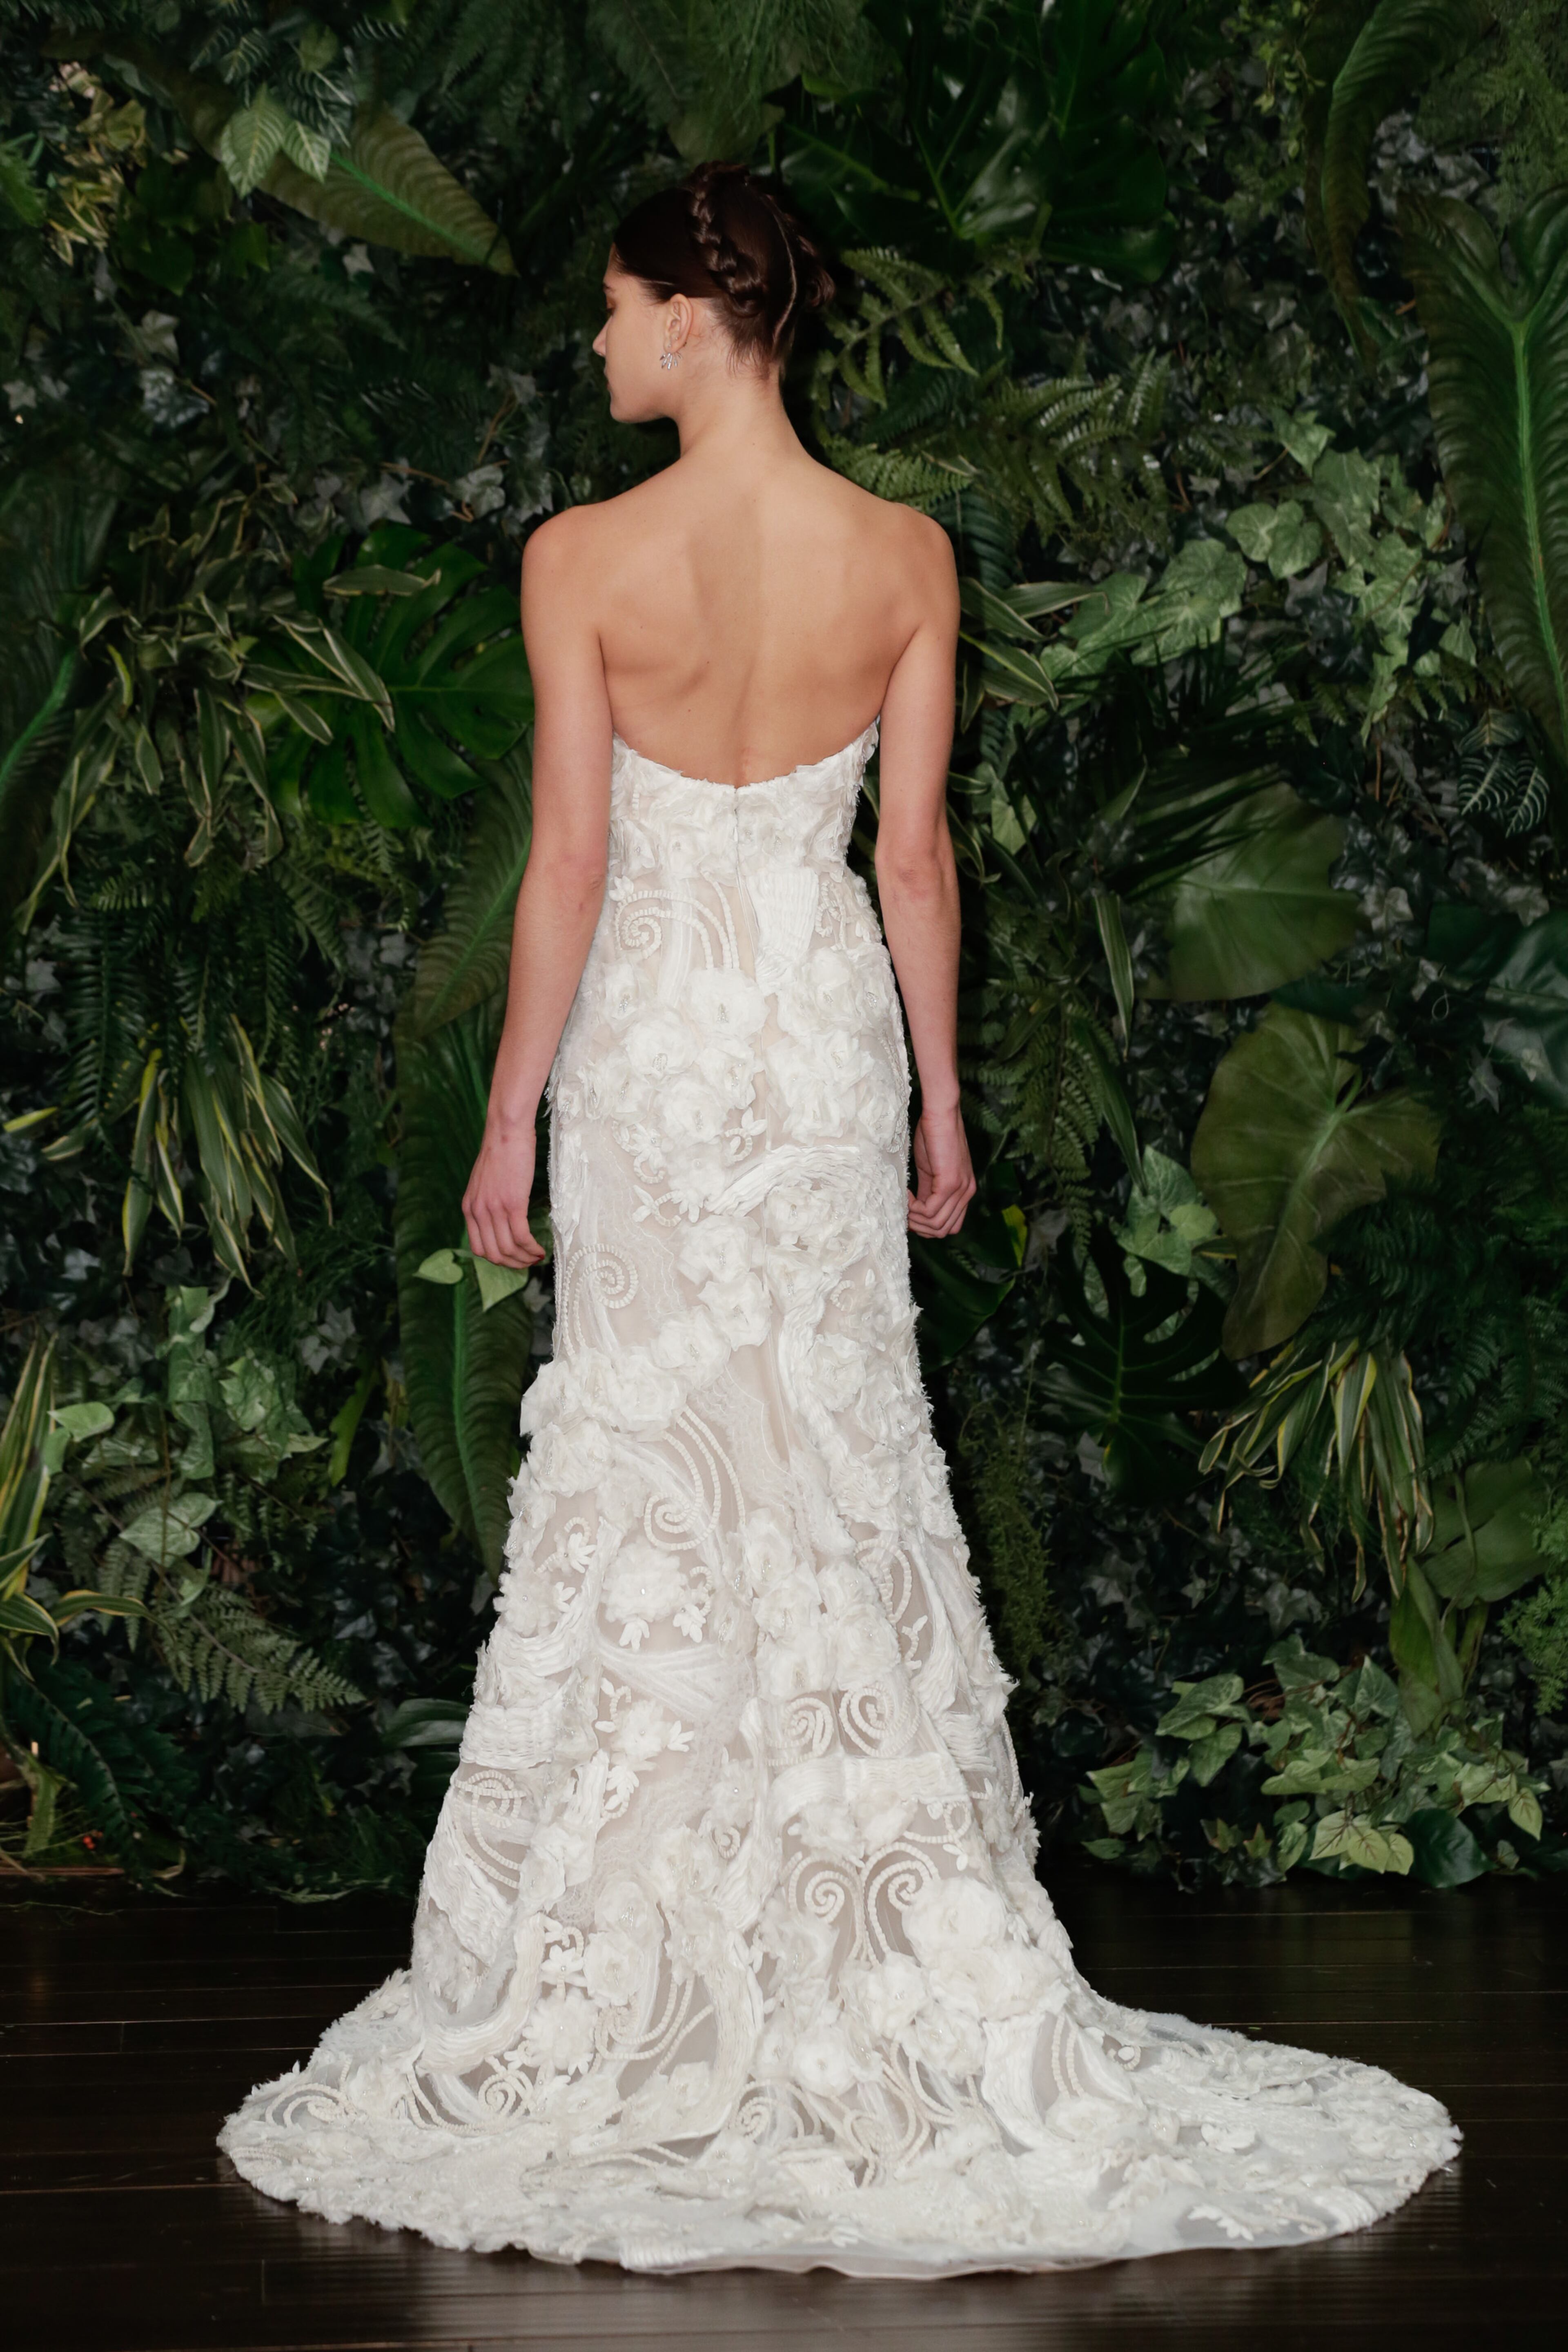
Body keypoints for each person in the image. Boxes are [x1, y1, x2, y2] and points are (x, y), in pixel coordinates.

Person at [220, 162, 1457, 2274]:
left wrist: (509, 1117)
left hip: (655, 1058)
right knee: (837, 1463)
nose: (597, 345)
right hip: (814, 1045)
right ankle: (880, 1939)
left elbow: (574, 871)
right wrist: (944, 1100)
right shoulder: (903, 553)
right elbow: (911, 868)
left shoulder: (586, 557)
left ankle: (628, 1967)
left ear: (697, 318)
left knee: (647, 1470)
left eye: (614, 311)